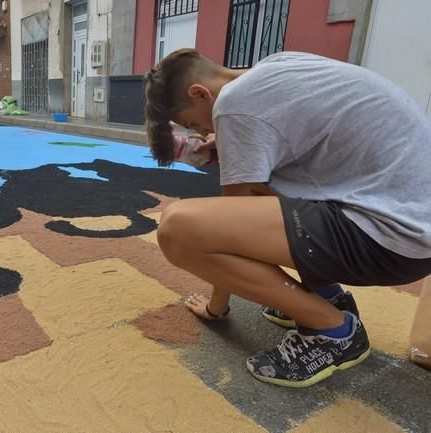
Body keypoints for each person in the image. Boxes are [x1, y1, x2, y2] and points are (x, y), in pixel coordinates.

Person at [143, 49, 431, 388]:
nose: (203, 130)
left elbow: (235, 220)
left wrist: (216, 307)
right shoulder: (276, 65)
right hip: (410, 226)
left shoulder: (234, 104)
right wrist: (229, 140)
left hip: (391, 240)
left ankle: (333, 329)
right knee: (264, 185)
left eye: (194, 123)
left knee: (178, 228)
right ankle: (327, 296)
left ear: (199, 93)